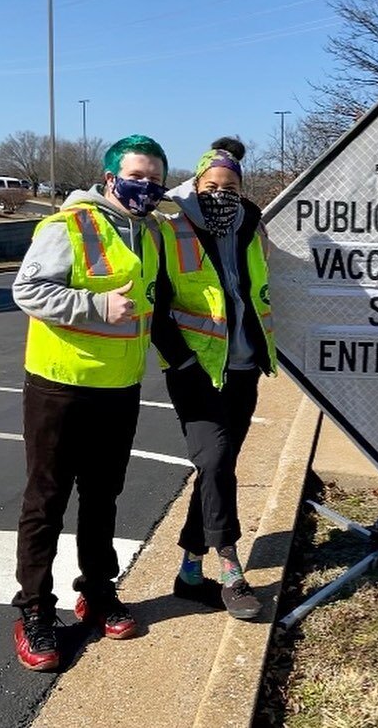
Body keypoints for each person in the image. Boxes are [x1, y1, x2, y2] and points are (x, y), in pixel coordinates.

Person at [11, 134, 168, 671]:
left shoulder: (149, 233)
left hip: (120, 391)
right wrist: (95, 304)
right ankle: (34, 610)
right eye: (136, 175)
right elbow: (27, 290)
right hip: (59, 386)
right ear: (110, 179)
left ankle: (97, 592)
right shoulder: (68, 224)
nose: (145, 186)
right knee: (46, 502)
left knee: (103, 499)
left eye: (154, 178)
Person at [152, 136, 276, 620]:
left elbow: (258, 291)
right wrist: (181, 360)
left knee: (214, 471)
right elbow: (156, 303)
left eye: (230, 186)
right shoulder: (170, 228)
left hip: (244, 370)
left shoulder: (251, 225)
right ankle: (230, 568)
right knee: (218, 460)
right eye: (211, 185)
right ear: (195, 184)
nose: (220, 193)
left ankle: (188, 571)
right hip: (195, 372)